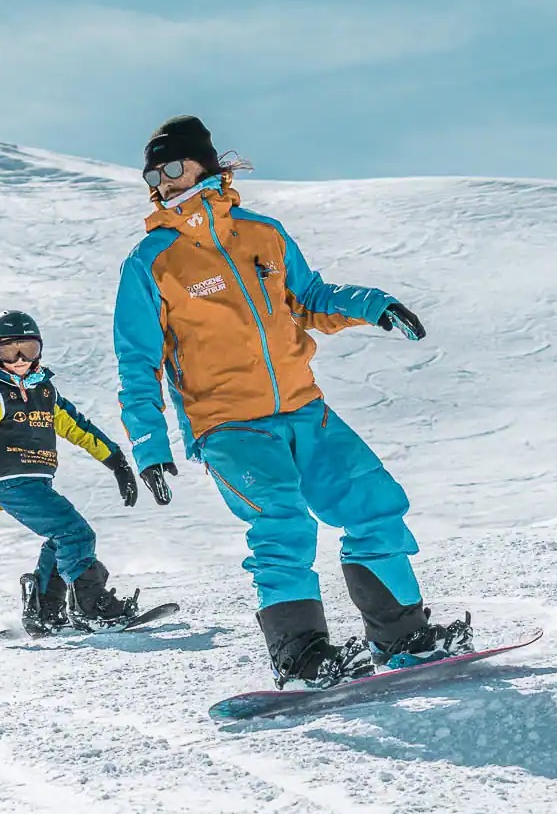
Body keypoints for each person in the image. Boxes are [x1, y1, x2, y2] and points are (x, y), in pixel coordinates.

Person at [112, 115, 469, 688]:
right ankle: (301, 656)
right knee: (282, 524)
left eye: (173, 166)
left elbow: (309, 299)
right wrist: (150, 446)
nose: (163, 180)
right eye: (152, 173)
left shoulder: (264, 234)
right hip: (228, 426)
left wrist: (372, 305)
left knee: (374, 504)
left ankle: (401, 636)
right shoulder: (152, 260)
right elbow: (137, 362)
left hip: (303, 408)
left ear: (207, 164)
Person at [0, 310, 143, 635]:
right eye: (9, 351)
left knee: (60, 539)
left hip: (35, 480)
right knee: (76, 534)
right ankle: (91, 607)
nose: (19, 360)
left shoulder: (45, 392)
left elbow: (79, 428)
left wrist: (117, 462)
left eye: (28, 350)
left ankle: (44, 611)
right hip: (8, 480)